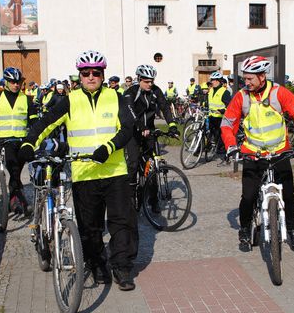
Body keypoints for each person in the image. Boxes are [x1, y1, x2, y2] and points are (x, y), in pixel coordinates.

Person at [18, 50, 138, 291]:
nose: (91, 77)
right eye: (86, 73)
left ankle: (122, 268)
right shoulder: (71, 100)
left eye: (96, 72)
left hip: (114, 171)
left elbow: (128, 128)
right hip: (84, 174)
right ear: (79, 76)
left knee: (121, 223)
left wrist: (109, 147)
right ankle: (97, 265)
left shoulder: (116, 97)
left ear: (103, 75)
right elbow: (44, 123)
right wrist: (29, 142)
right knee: (89, 227)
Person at [221, 56, 294, 252]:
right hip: (252, 154)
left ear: (262, 77)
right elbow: (227, 123)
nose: (246, 82)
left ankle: (292, 229)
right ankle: (245, 229)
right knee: (248, 196)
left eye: (250, 79)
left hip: (280, 153)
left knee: (289, 195)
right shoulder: (242, 97)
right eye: (244, 78)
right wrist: (231, 146)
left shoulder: (279, 93)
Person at [0, 67, 38, 215]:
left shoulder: (26, 99)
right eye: (12, 82)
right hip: (4, 141)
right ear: (6, 82)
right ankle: (21, 200)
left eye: (18, 82)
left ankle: (13, 199)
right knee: (14, 169)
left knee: (16, 172)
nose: (16, 85)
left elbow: (33, 119)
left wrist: (37, 133)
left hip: (22, 140)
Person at [123, 64, 180, 208]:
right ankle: (130, 198)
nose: (150, 84)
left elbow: (165, 107)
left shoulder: (155, 91)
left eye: (152, 81)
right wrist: (140, 127)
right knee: (133, 165)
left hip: (150, 131)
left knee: (153, 166)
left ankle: (153, 200)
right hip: (134, 133)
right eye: (146, 81)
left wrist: (172, 125)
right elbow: (129, 111)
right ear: (139, 79)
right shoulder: (131, 92)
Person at [205, 71, 232, 159]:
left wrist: (222, 110)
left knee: (219, 136)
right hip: (211, 116)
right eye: (212, 80)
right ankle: (205, 148)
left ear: (219, 81)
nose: (212, 82)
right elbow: (209, 103)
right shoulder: (211, 90)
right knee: (208, 133)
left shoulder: (224, 92)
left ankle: (223, 151)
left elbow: (230, 106)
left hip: (220, 118)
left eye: (214, 80)